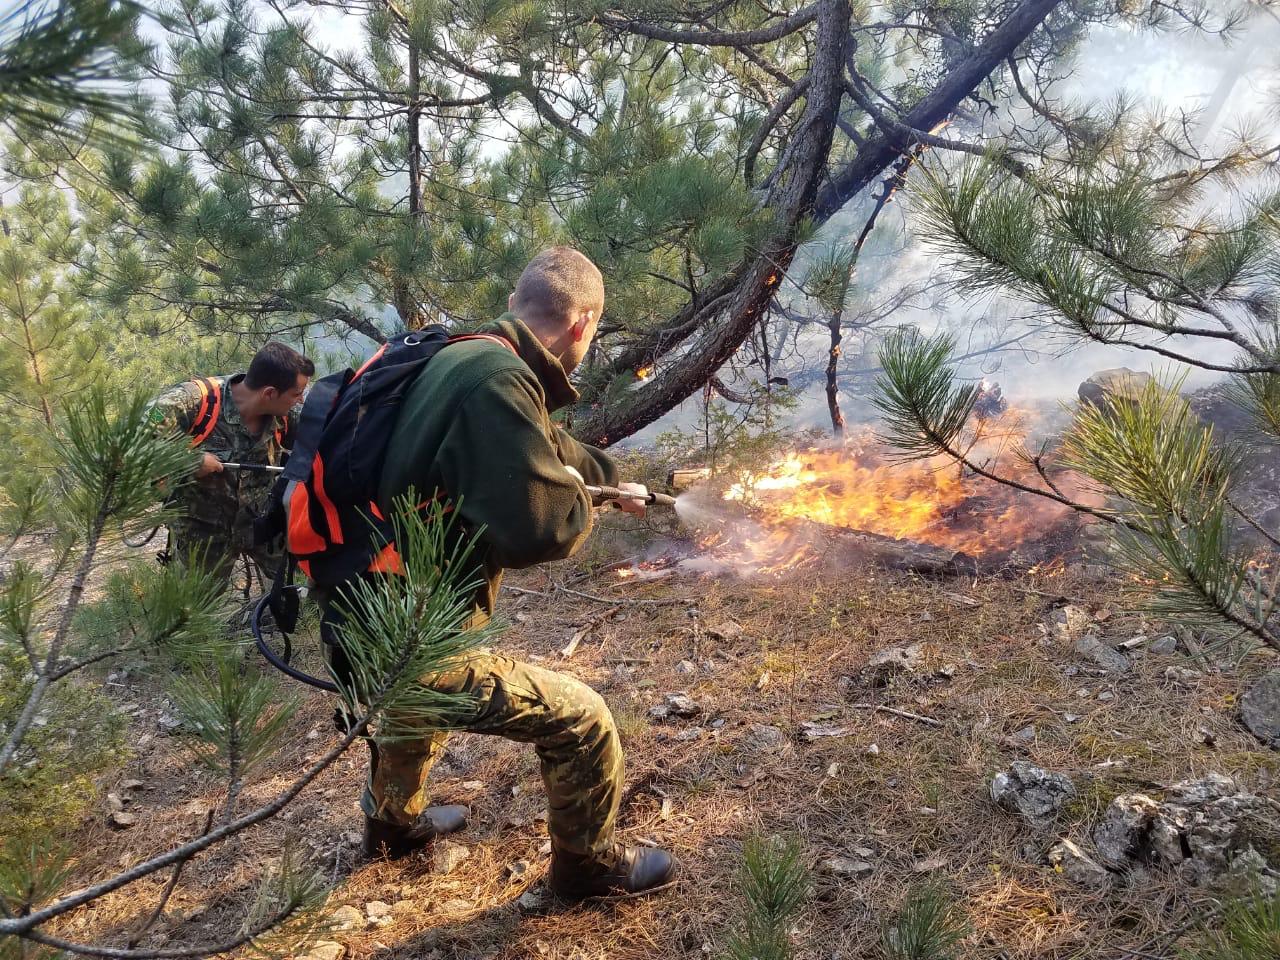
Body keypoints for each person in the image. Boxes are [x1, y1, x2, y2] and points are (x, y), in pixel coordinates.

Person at [358, 247, 676, 900]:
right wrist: (582, 510)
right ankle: (588, 871)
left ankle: (391, 828)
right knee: (583, 722)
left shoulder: (465, 357)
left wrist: (614, 484)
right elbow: (537, 530)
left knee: (410, 710)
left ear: (515, 306)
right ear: (584, 325)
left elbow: (549, 449)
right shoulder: (500, 382)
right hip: (415, 622)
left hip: (375, 602)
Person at [148, 341, 314, 585]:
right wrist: (188, 460)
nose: (300, 401)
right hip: (202, 535)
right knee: (194, 609)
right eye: (296, 394)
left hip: (262, 525)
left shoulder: (285, 415)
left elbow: (322, 436)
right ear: (269, 393)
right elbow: (132, 439)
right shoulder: (191, 401)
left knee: (303, 582)